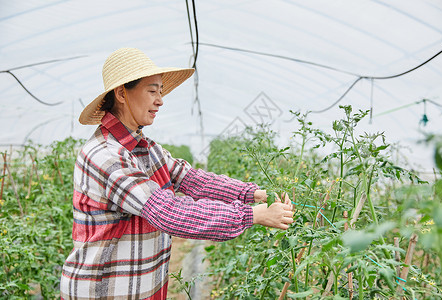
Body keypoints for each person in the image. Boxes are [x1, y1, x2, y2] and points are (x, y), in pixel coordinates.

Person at [60, 47, 294, 299]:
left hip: (139, 286)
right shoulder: (106, 156)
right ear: (121, 93)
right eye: (152, 91)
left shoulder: (147, 149)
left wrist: (254, 193)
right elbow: (168, 213)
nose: (160, 100)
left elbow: (192, 179)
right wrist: (252, 215)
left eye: (160, 92)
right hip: (104, 290)